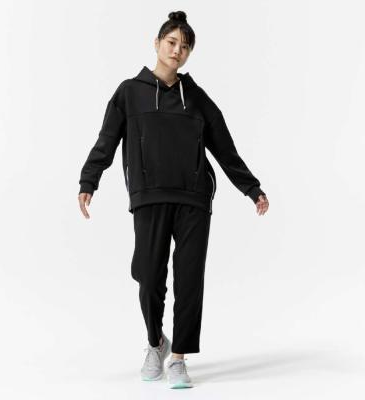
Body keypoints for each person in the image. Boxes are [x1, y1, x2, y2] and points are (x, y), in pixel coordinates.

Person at [78, 10, 269, 389]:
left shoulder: (196, 98)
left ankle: (179, 357)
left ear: (189, 53)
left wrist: (251, 188)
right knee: (148, 276)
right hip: (148, 195)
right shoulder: (129, 92)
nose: (177, 50)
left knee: (189, 280)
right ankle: (156, 343)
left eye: (185, 46)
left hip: (194, 197)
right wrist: (89, 180)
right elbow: (106, 140)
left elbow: (225, 148)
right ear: (157, 43)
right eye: (171, 42)